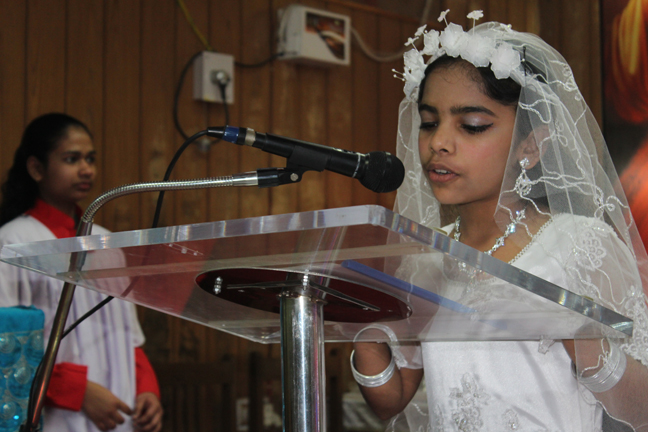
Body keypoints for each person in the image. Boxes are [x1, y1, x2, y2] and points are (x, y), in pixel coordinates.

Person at [351, 11, 648, 431]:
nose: (439, 142)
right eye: (430, 123)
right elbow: (392, 400)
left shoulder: (582, 246)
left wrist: (590, 349)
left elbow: (643, 408)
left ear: (531, 146)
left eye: (472, 126)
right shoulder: (427, 256)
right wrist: (361, 327)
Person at [0, 113, 163, 432]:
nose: (86, 169)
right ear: (36, 168)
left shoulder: (108, 243)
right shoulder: (14, 242)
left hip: (122, 411)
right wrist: (76, 391)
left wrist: (147, 389)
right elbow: (7, 344)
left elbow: (128, 335)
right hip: (55, 415)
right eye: (71, 159)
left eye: (90, 159)